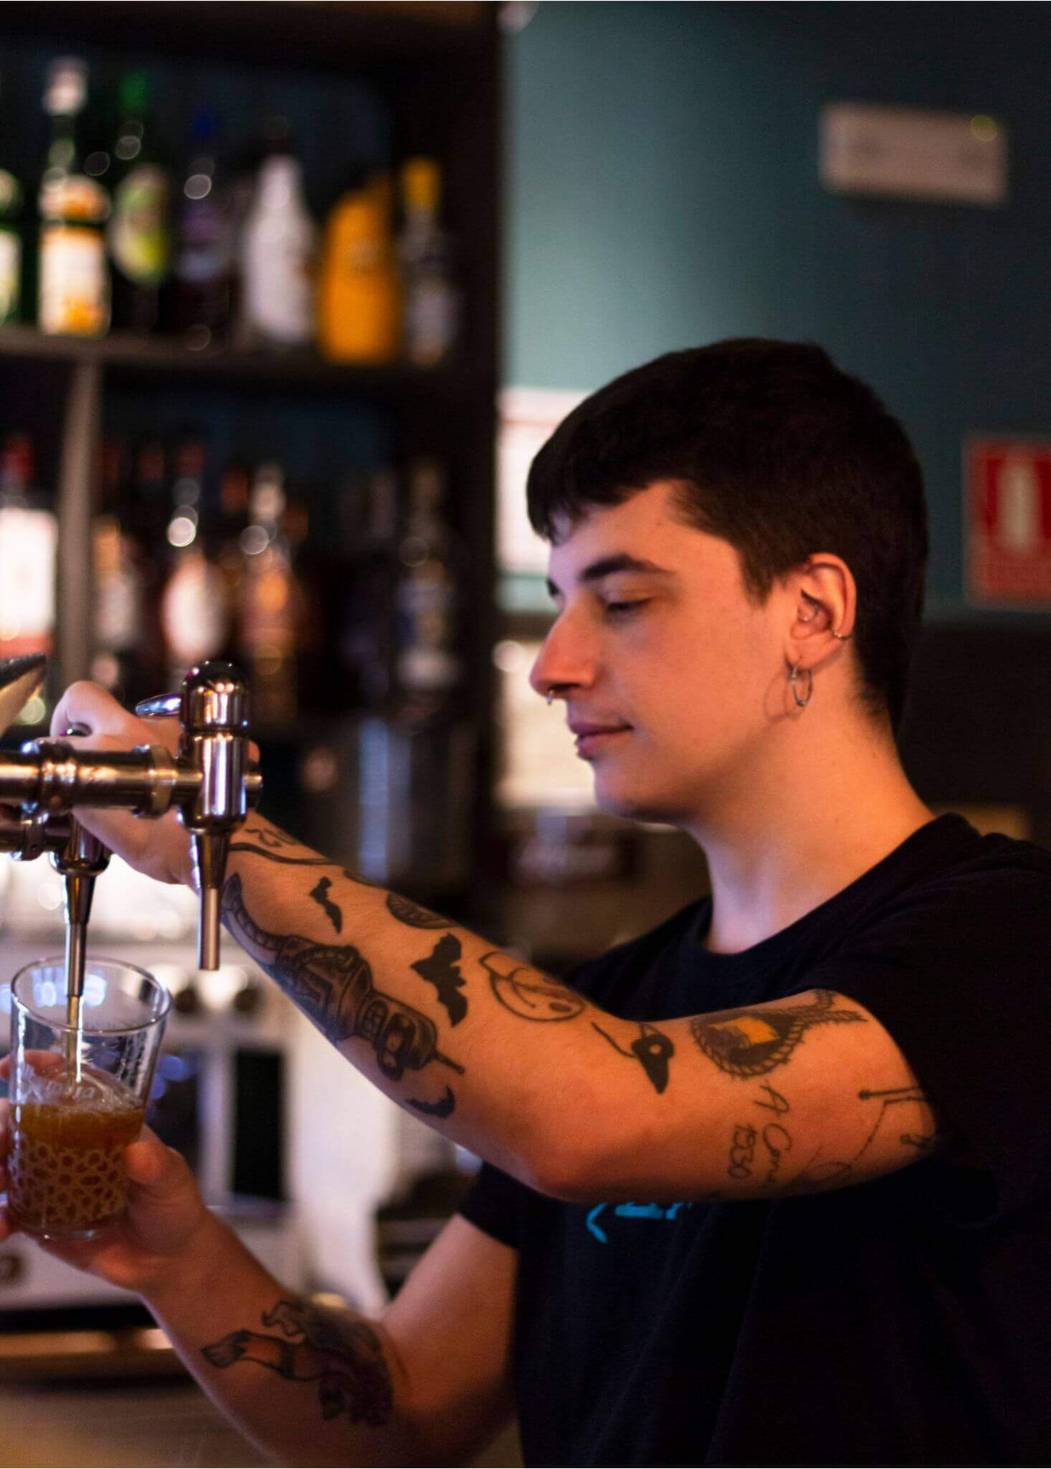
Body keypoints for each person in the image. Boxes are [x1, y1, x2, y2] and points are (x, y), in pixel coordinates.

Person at [2, 338, 1049, 1467]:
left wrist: (218, 840)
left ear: (811, 608)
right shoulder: (618, 999)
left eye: (623, 599)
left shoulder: (1003, 945)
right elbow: (401, 1407)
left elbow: (593, 1119)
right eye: (557, 602)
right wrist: (176, 1255)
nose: (552, 662)